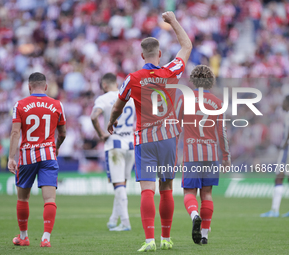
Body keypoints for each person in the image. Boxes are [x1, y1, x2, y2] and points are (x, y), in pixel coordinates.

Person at [107, 11, 192, 252]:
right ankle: (166, 239)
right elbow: (186, 45)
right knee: (166, 188)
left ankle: (149, 240)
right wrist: (173, 21)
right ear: (160, 55)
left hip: (144, 138)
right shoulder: (171, 70)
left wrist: (112, 122)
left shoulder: (132, 78)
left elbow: (118, 105)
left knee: (147, 189)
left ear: (143, 55)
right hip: (168, 137)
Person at [8, 72, 66, 247]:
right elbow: (63, 133)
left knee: (23, 199)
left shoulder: (20, 105)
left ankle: (24, 237)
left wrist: (11, 157)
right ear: (46, 87)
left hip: (27, 156)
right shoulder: (57, 104)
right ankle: (46, 238)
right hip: (48, 155)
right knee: (49, 200)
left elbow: (15, 133)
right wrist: (56, 147)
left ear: (29, 87)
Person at [177, 65, 231, 245]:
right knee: (207, 194)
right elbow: (222, 133)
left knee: (189, 192)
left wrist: (173, 152)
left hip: (192, 153)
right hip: (211, 153)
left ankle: (194, 215)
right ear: (210, 81)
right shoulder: (217, 102)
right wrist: (226, 157)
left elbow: (176, 129)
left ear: (193, 80)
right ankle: (205, 235)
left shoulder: (185, 100)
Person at [91, 73, 135, 231]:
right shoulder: (129, 97)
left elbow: (93, 116)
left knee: (118, 185)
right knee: (122, 184)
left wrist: (101, 133)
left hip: (115, 144)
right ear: (116, 83)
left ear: (104, 85)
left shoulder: (103, 99)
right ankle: (113, 219)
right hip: (131, 144)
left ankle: (125, 222)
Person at [261, 95, 289, 218]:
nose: (282, 104)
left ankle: (274, 210)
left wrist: (285, 142)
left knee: (278, 177)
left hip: (287, 150)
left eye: (284, 102)